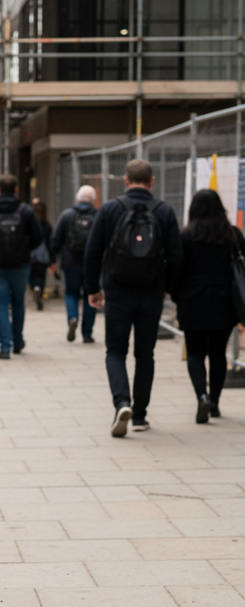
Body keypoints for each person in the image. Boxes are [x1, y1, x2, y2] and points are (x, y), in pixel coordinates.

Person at [85, 158, 183, 437]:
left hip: (117, 291)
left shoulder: (110, 209)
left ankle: (122, 403)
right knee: (145, 354)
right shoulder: (164, 211)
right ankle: (139, 415)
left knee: (115, 351)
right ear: (152, 181)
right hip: (151, 291)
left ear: (125, 180)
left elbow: (93, 252)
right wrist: (168, 288)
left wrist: (93, 288)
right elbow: (176, 257)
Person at [173, 188, 243, 423]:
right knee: (218, 352)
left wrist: (176, 296)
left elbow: (177, 270)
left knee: (195, 352)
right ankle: (214, 402)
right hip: (224, 301)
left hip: (193, 301)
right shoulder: (232, 235)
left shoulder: (186, 236)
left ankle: (201, 396)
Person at [0, 173, 44, 359]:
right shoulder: (25, 211)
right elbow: (38, 236)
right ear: (16, 190)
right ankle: (18, 341)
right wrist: (25, 250)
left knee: (1, 304)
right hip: (21, 265)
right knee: (18, 302)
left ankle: (5, 347)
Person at [51, 185, 99, 343]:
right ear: (93, 200)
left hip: (70, 263)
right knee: (91, 295)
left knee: (71, 293)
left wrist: (53, 260)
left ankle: (72, 318)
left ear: (77, 198)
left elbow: (55, 239)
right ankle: (87, 333)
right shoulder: (98, 216)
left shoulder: (67, 215)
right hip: (92, 264)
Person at [28, 199, 54, 310]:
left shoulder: (29, 225)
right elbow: (51, 243)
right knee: (41, 276)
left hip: (30, 255)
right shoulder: (47, 226)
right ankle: (39, 289)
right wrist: (52, 260)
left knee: (31, 275)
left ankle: (34, 288)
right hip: (43, 256)